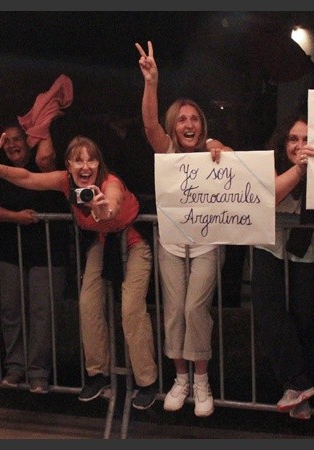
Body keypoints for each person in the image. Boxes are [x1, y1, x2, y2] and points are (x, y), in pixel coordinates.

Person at [0, 130, 159, 410]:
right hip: (103, 242)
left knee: (131, 309)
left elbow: (112, 205)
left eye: (91, 160)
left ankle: (147, 381)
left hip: (134, 241)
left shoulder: (110, 182)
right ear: (69, 165)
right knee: (88, 304)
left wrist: (103, 210)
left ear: (99, 164)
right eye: (78, 160)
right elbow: (27, 178)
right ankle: (97, 375)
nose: (85, 166)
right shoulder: (65, 181)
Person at [135, 40, 231, 417]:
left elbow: (237, 167)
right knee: (174, 310)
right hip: (172, 243)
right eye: (182, 119)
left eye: (194, 119)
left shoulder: (212, 151)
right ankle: (181, 378)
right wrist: (151, 82)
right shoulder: (168, 152)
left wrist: (221, 147)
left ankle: (201, 379)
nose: (189, 124)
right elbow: (149, 124)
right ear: (174, 125)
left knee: (195, 309)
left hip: (207, 245)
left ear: (201, 125)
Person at [0, 122, 71, 394]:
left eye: (17, 139)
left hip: (48, 254)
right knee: (11, 313)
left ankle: (38, 372)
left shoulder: (44, 169)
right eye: (7, 141)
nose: (12, 145)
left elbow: (48, 159)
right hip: (10, 254)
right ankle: (15, 367)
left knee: (43, 315)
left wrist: (45, 120)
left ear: (29, 141)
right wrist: (16, 217)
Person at [249, 114, 314, 420]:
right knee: (270, 315)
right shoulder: (271, 163)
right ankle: (297, 384)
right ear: (283, 142)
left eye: (306, 139)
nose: (300, 145)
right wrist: (300, 169)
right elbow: (272, 193)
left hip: (308, 249)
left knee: (304, 319)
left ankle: (300, 392)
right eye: (293, 139)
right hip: (269, 246)